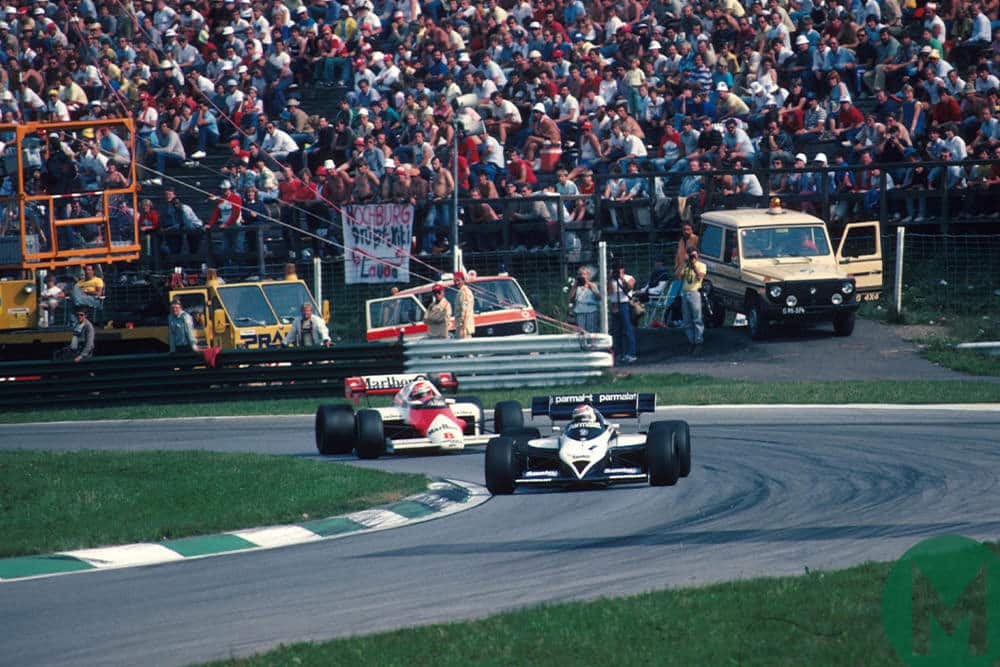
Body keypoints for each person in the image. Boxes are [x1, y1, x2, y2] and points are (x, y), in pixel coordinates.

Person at [677, 246, 707, 355]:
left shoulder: (702, 265)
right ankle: (691, 342)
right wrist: (684, 263)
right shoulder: (686, 266)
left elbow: (699, 277)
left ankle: (699, 342)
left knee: (697, 319)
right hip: (685, 293)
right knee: (687, 320)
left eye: (694, 255)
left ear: (698, 255)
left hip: (695, 293)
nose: (693, 257)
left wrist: (693, 264)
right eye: (691, 255)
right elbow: (679, 277)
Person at [609, 262, 637, 364]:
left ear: (623, 269)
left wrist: (621, 278)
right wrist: (609, 278)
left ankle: (631, 353)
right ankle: (619, 354)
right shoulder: (611, 279)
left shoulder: (629, 277)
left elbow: (628, 287)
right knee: (616, 331)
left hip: (625, 304)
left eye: (619, 268)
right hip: (614, 305)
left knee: (628, 329)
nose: (617, 270)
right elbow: (609, 292)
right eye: (615, 268)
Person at [568, 266, 600, 333]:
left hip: (591, 310)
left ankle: (591, 343)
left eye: (584, 274)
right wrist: (575, 286)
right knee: (581, 332)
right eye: (580, 274)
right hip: (579, 311)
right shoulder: (576, 286)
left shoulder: (592, 285)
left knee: (591, 331)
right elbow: (570, 299)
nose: (582, 276)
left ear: (588, 276)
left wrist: (591, 287)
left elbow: (598, 297)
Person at [453, 272, 475, 339]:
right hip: (461, 328)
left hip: (464, 329)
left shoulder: (464, 292)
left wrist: (463, 328)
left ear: (463, 280)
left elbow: (465, 310)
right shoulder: (461, 291)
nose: (456, 283)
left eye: (458, 280)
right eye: (455, 281)